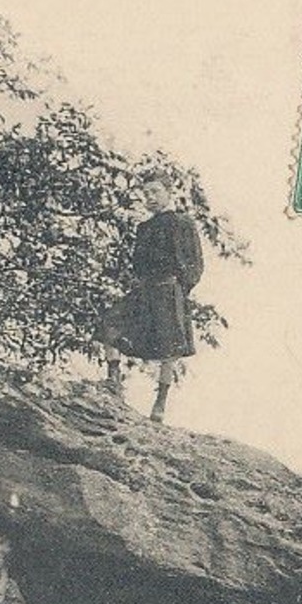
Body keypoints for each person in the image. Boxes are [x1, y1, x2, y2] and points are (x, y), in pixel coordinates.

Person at [96, 179, 205, 422]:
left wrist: (180, 287)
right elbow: (138, 264)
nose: (150, 197)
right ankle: (113, 382)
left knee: (169, 348)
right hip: (145, 289)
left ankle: (160, 404)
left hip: (169, 289)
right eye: (146, 194)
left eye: (155, 192)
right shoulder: (144, 228)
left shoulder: (182, 222)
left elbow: (195, 262)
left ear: (169, 192)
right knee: (108, 324)